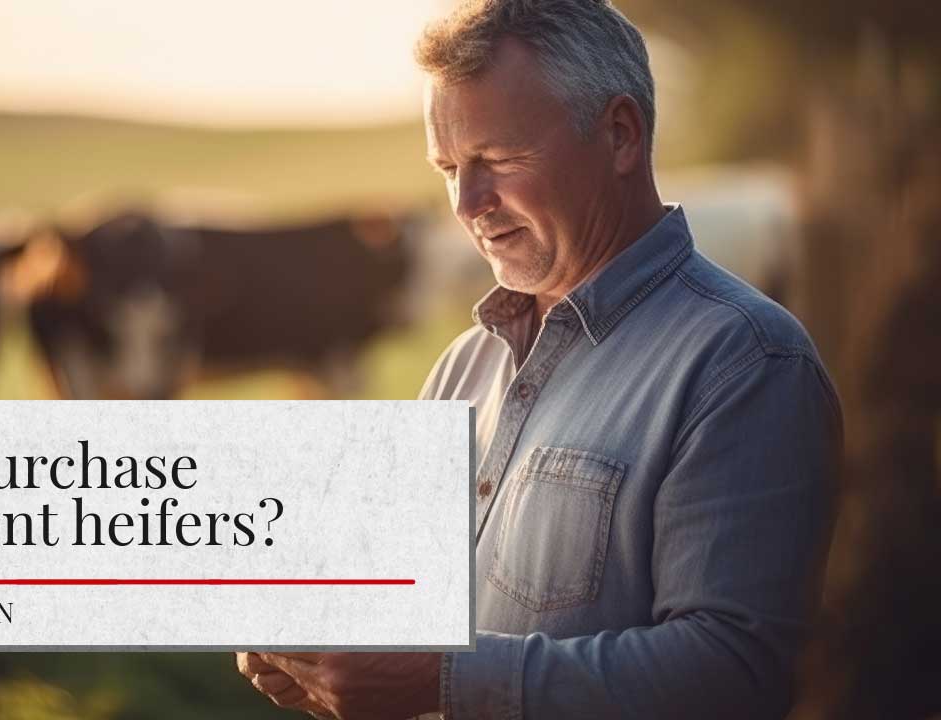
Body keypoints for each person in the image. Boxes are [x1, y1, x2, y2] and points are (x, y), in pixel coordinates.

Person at [236, 0, 842, 718]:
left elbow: (734, 673)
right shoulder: (463, 366)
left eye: (496, 160)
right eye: (449, 167)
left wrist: (438, 681)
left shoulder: (745, 362)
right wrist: (316, 650)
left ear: (619, 135)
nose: (467, 203)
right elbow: (406, 617)